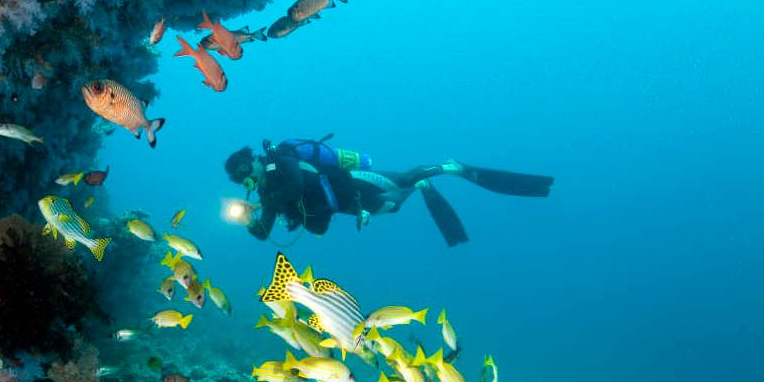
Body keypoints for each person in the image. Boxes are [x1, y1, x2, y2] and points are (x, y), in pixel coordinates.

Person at [223, 136, 554, 246]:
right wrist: (251, 222)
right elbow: (266, 232)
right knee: (395, 207)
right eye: (241, 182)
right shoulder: (267, 195)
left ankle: (448, 167)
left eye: (244, 172)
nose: (247, 182)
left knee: (403, 179)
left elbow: (296, 185)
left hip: (353, 183)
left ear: (252, 161)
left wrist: (267, 201)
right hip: (348, 207)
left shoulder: (282, 160)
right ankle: (423, 184)